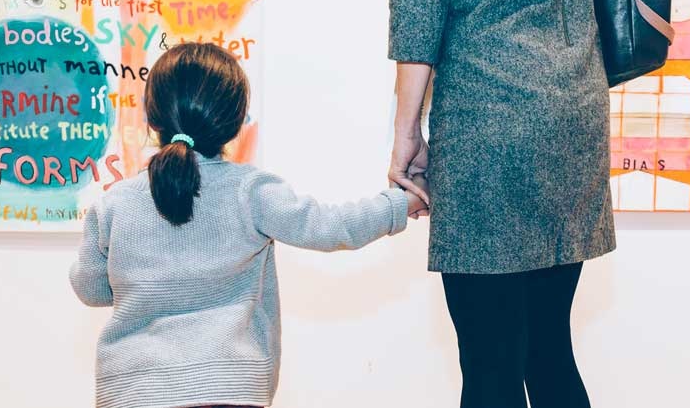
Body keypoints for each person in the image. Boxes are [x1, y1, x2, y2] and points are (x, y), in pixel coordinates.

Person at [69, 43, 427, 408]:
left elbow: (90, 289)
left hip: (133, 392)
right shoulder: (251, 191)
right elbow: (331, 227)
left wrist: (148, 284)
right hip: (229, 386)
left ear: (150, 117)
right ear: (237, 122)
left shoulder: (114, 203)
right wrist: (402, 202)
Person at [387, 0, 616, 407]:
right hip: (574, 115)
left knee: (490, 363)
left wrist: (406, 135)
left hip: (489, 122)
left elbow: (418, 23)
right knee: (548, 349)